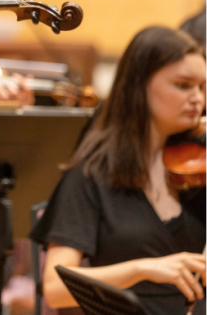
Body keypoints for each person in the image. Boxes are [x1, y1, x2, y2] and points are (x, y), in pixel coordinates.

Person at [30, 26, 206, 315]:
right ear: (140, 84)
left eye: (202, 87)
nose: (198, 99)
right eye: (183, 85)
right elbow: (55, 288)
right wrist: (142, 269)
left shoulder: (199, 168)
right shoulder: (90, 176)